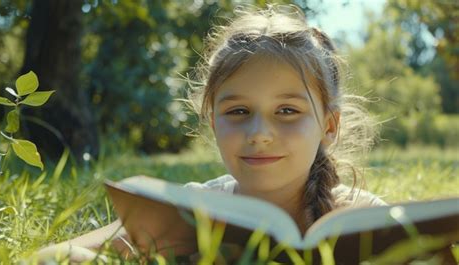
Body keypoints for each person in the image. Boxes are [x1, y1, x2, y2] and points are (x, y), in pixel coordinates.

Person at [35, 4, 386, 263]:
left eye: (287, 111)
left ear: (329, 127)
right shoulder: (186, 213)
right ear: (213, 121)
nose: (260, 133)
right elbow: (49, 257)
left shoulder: (362, 214)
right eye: (238, 112)